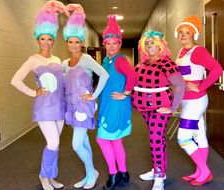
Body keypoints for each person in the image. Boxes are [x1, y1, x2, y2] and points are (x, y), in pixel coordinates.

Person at [11, 1, 65, 190]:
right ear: (37, 39)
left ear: (53, 40)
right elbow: (15, 80)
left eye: (49, 39)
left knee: (55, 145)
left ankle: (51, 177)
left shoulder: (57, 59)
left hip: (59, 106)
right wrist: (34, 92)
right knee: (53, 142)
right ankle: (44, 176)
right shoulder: (33, 60)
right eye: (43, 39)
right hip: (44, 108)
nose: (46, 43)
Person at [62, 4, 109, 189]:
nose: (74, 45)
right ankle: (90, 174)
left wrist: (94, 96)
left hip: (83, 106)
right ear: (66, 42)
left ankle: (93, 172)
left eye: (77, 42)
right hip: (72, 107)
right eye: (70, 42)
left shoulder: (87, 59)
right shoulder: (65, 63)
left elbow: (104, 75)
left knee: (75, 145)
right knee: (84, 142)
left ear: (81, 42)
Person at [131, 31, 185, 190]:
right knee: (156, 138)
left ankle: (159, 176)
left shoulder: (166, 63)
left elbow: (180, 85)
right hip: (144, 107)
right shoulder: (142, 64)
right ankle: (158, 169)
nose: (149, 46)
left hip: (160, 108)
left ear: (160, 45)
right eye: (146, 43)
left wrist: (172, 108)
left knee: (155, 138)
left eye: (152, 43)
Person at [174, 15, 223, 186]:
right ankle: (199, 170)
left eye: (187, 32)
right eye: (181, 32)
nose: (183, 35)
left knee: (184, 138)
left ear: (194, 34)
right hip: (186, 100)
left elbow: (217, 69)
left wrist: (201, 86)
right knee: (199, 135)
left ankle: (205, 171)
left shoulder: (199, 51)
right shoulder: (181, 52)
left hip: (196, 101)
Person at [96, 15, 137, 190]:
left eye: (115, 43)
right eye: (108, 43)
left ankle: (113, 174)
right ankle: (124, 173)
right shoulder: (106, 60)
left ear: (119, 45)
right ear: (104, 45)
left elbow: (133, 75)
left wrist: (126, 93)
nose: (111, 46)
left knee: (102, 139)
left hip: (116, 104)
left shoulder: (120, 59)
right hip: (107, 103)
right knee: (115, 141)